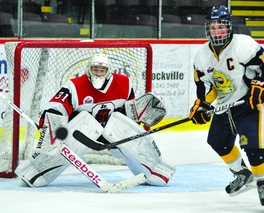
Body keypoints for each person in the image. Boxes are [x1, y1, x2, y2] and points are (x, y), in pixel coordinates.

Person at [15, 53, 175, 188]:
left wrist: (139, 111)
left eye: (102, 69)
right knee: (87, 122)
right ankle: (37, 168)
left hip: (111, 132)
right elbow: (55, 107)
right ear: (88, 70)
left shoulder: (124, 83)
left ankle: (154, 166)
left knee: (120, 124)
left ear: (109, 71)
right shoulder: (75, 86)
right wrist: (52, 130)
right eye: (95, 69)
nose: (98, 72)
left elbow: (128, 113)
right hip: (81, 133)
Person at [189, 5, 264, 205]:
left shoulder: (243, 44)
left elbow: (263, 65)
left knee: (253, 147)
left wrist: (259, 86)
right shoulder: (201, 55)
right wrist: (202, 105)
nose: (216, 31)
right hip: (225, 105)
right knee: (217, 141)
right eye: (212, 27)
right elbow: (205, 86)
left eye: (220, 27)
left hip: (249, 104)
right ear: (207, 29)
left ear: (229, 27)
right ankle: (242, 173)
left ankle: (262, 182)